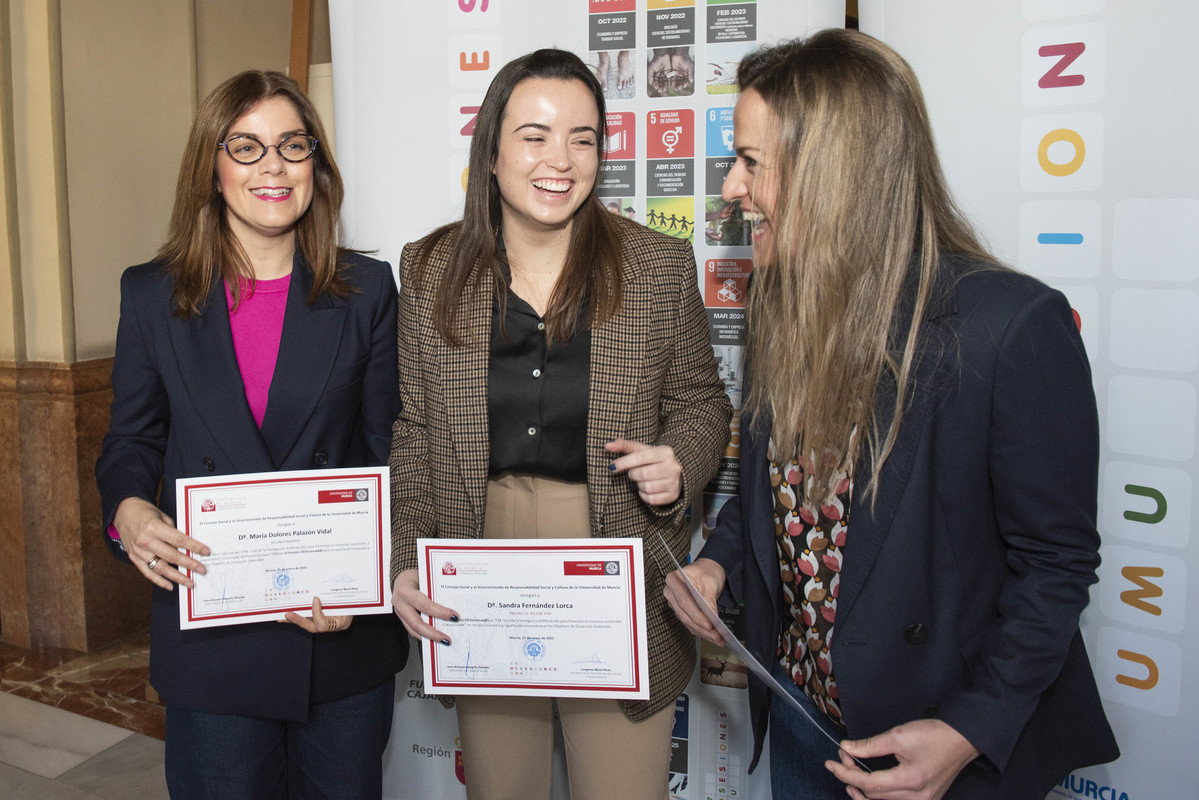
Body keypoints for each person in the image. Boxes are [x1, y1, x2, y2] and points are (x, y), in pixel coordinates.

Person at [664, 30, 1119, 800]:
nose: (731, 191)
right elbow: (773, 503)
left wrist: (966, 731)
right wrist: (717, 566)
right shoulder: (785, 305)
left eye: (749, 162)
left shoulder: (1006, 327)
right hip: (806, 729)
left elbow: (1055, 564)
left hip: (941, 752)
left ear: (832, 171)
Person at [388, 48, 732, 800]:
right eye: (535, 135)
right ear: (491, 151)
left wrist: (680, 459)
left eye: (582, 137)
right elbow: (414, 431)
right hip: (478, 561)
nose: (560, 159)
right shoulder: (427, 269)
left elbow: (705, 402)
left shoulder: (657, 266)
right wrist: (405, 558)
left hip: (617, 557)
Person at [95, 70, 407, 798]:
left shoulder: (366, 291)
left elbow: (392, 451)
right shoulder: (151, 293)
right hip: (214, 639)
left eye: (292, 146)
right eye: (246, 146)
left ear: (315, 167)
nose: (272, 165)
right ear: (212, 165)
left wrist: (367, 581)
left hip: (340, 641)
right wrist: (129, 513)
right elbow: (130, 443)